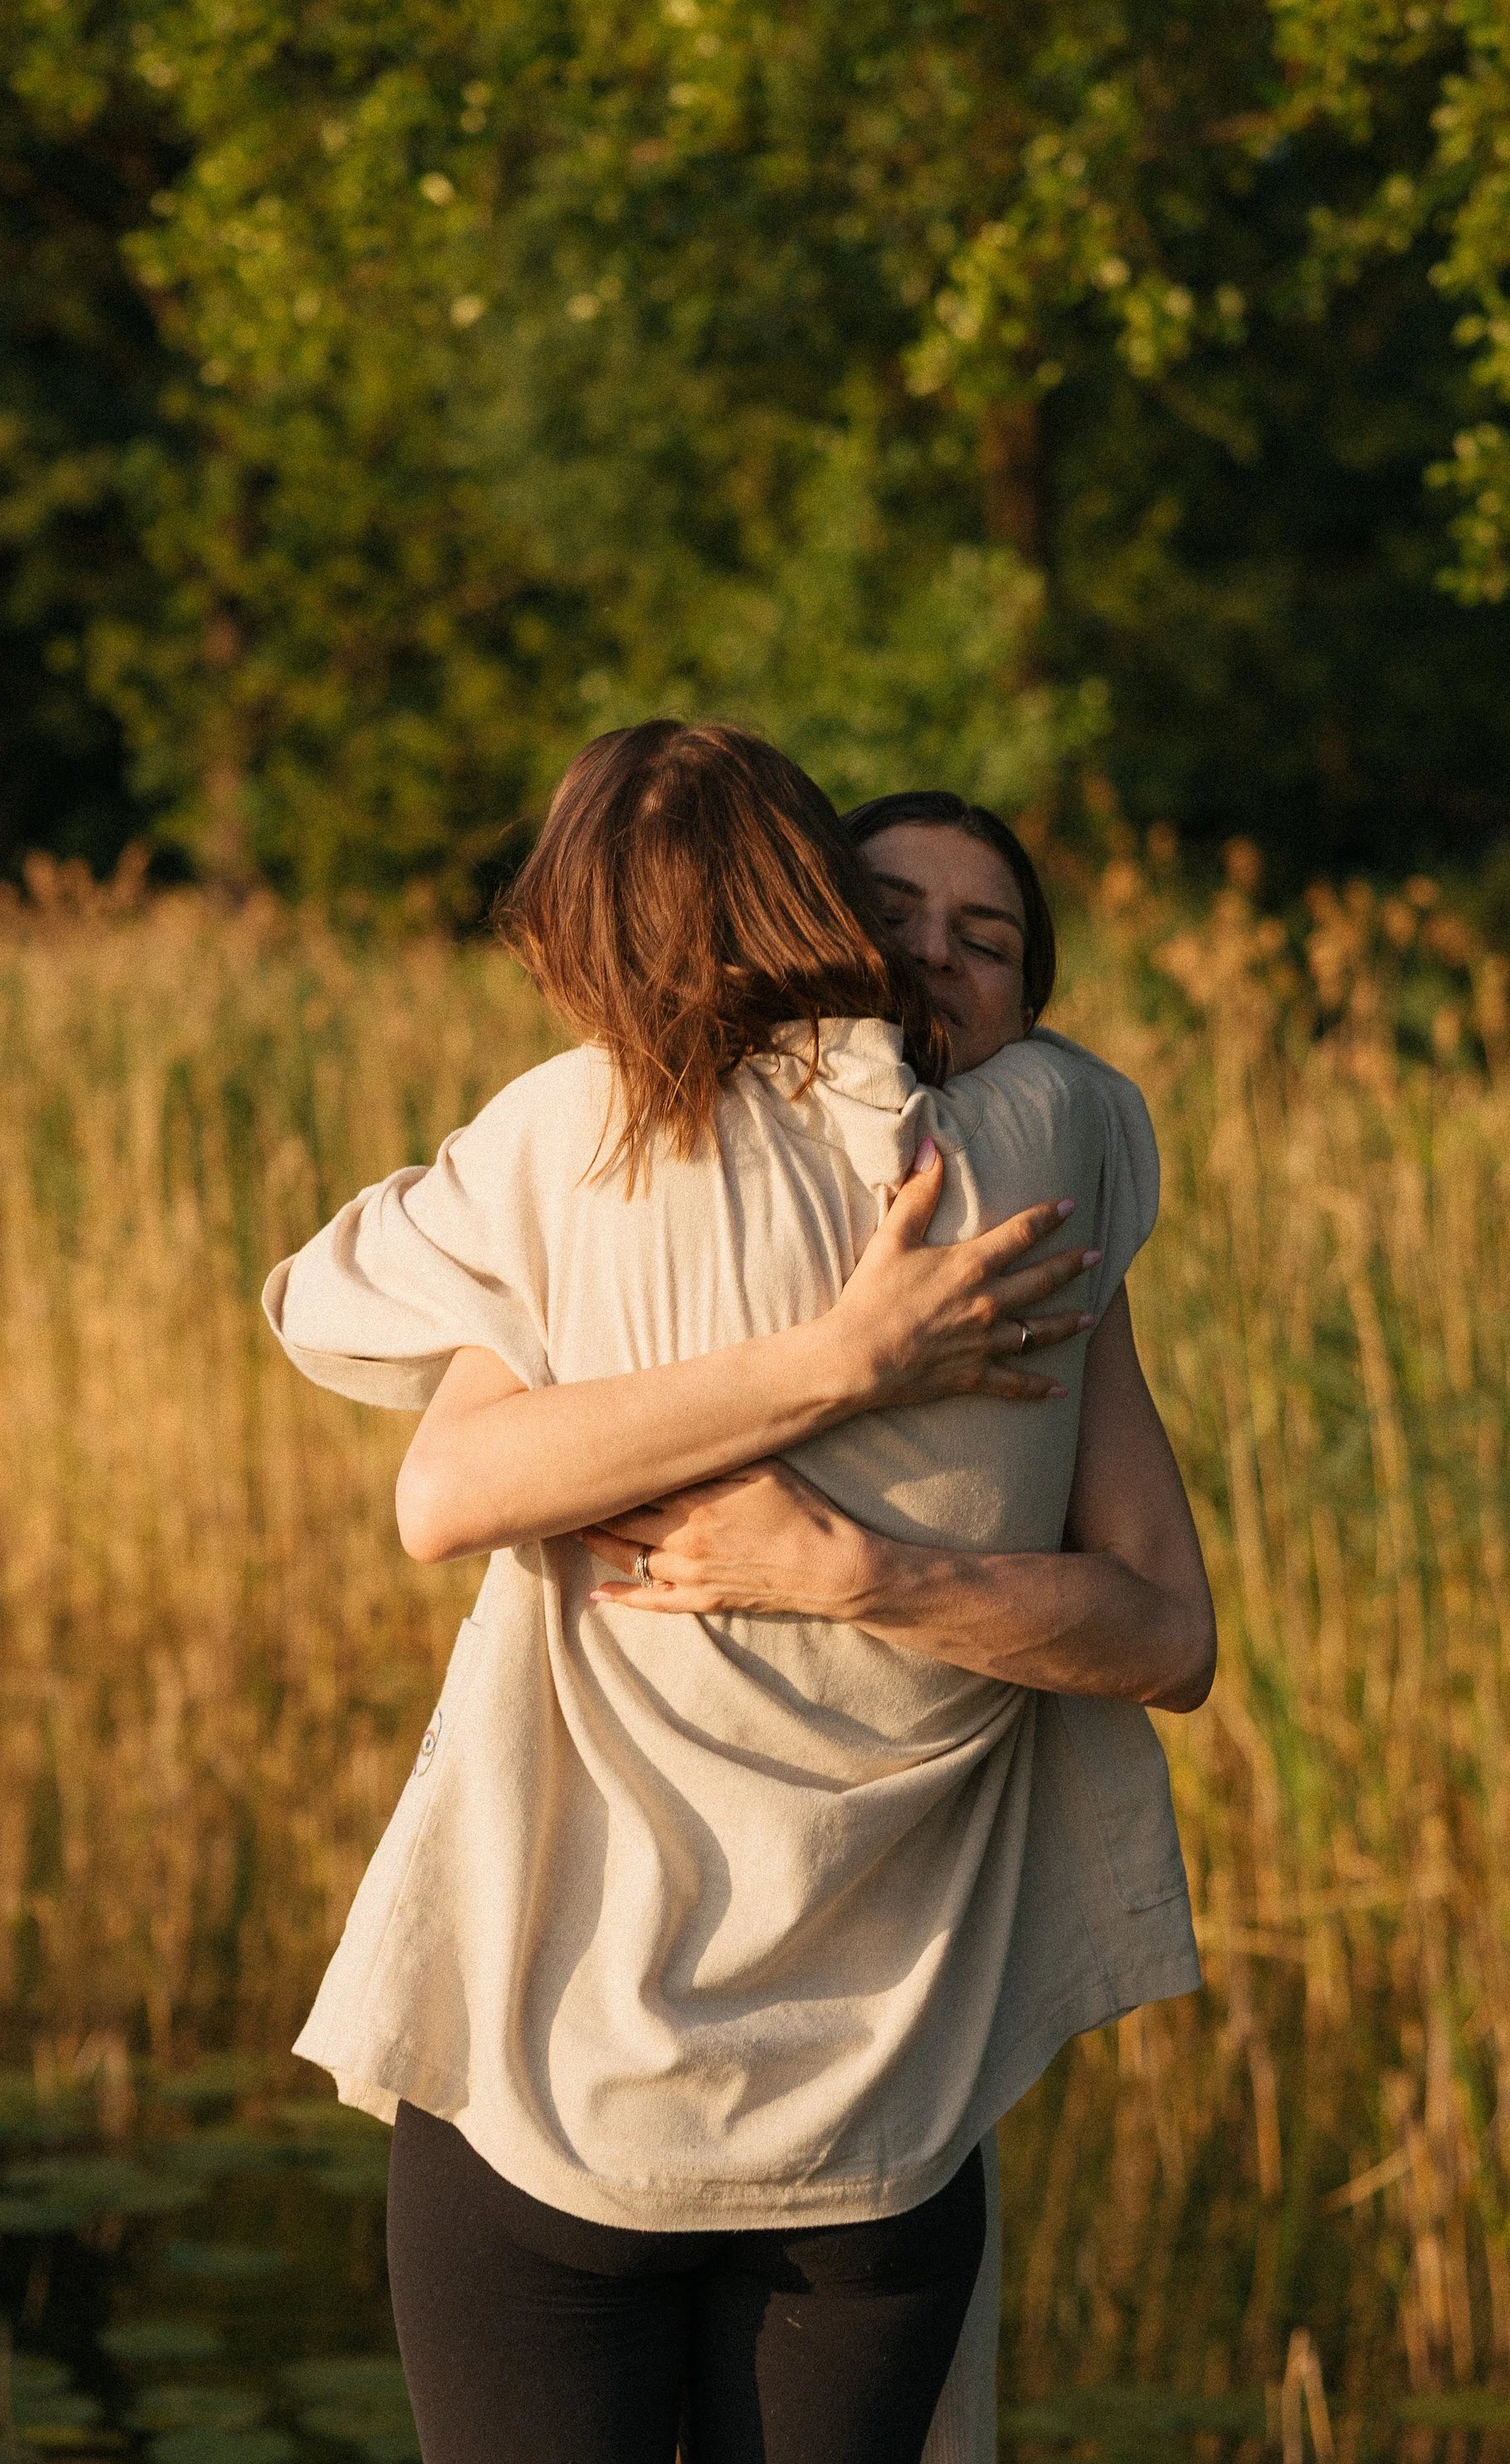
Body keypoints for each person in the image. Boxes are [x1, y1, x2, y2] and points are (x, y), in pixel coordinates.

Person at [262, 723, 1213, 2464]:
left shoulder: (570, 1142)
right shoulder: (1075, 1144)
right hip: (881, 2117)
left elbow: (372, 1386)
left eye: (983, 934)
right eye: (894, 908)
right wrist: (845, 1355)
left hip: (559, 2081)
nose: (932, 950)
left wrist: (857, 1564)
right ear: (827, 915)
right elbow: (1172, 1635)